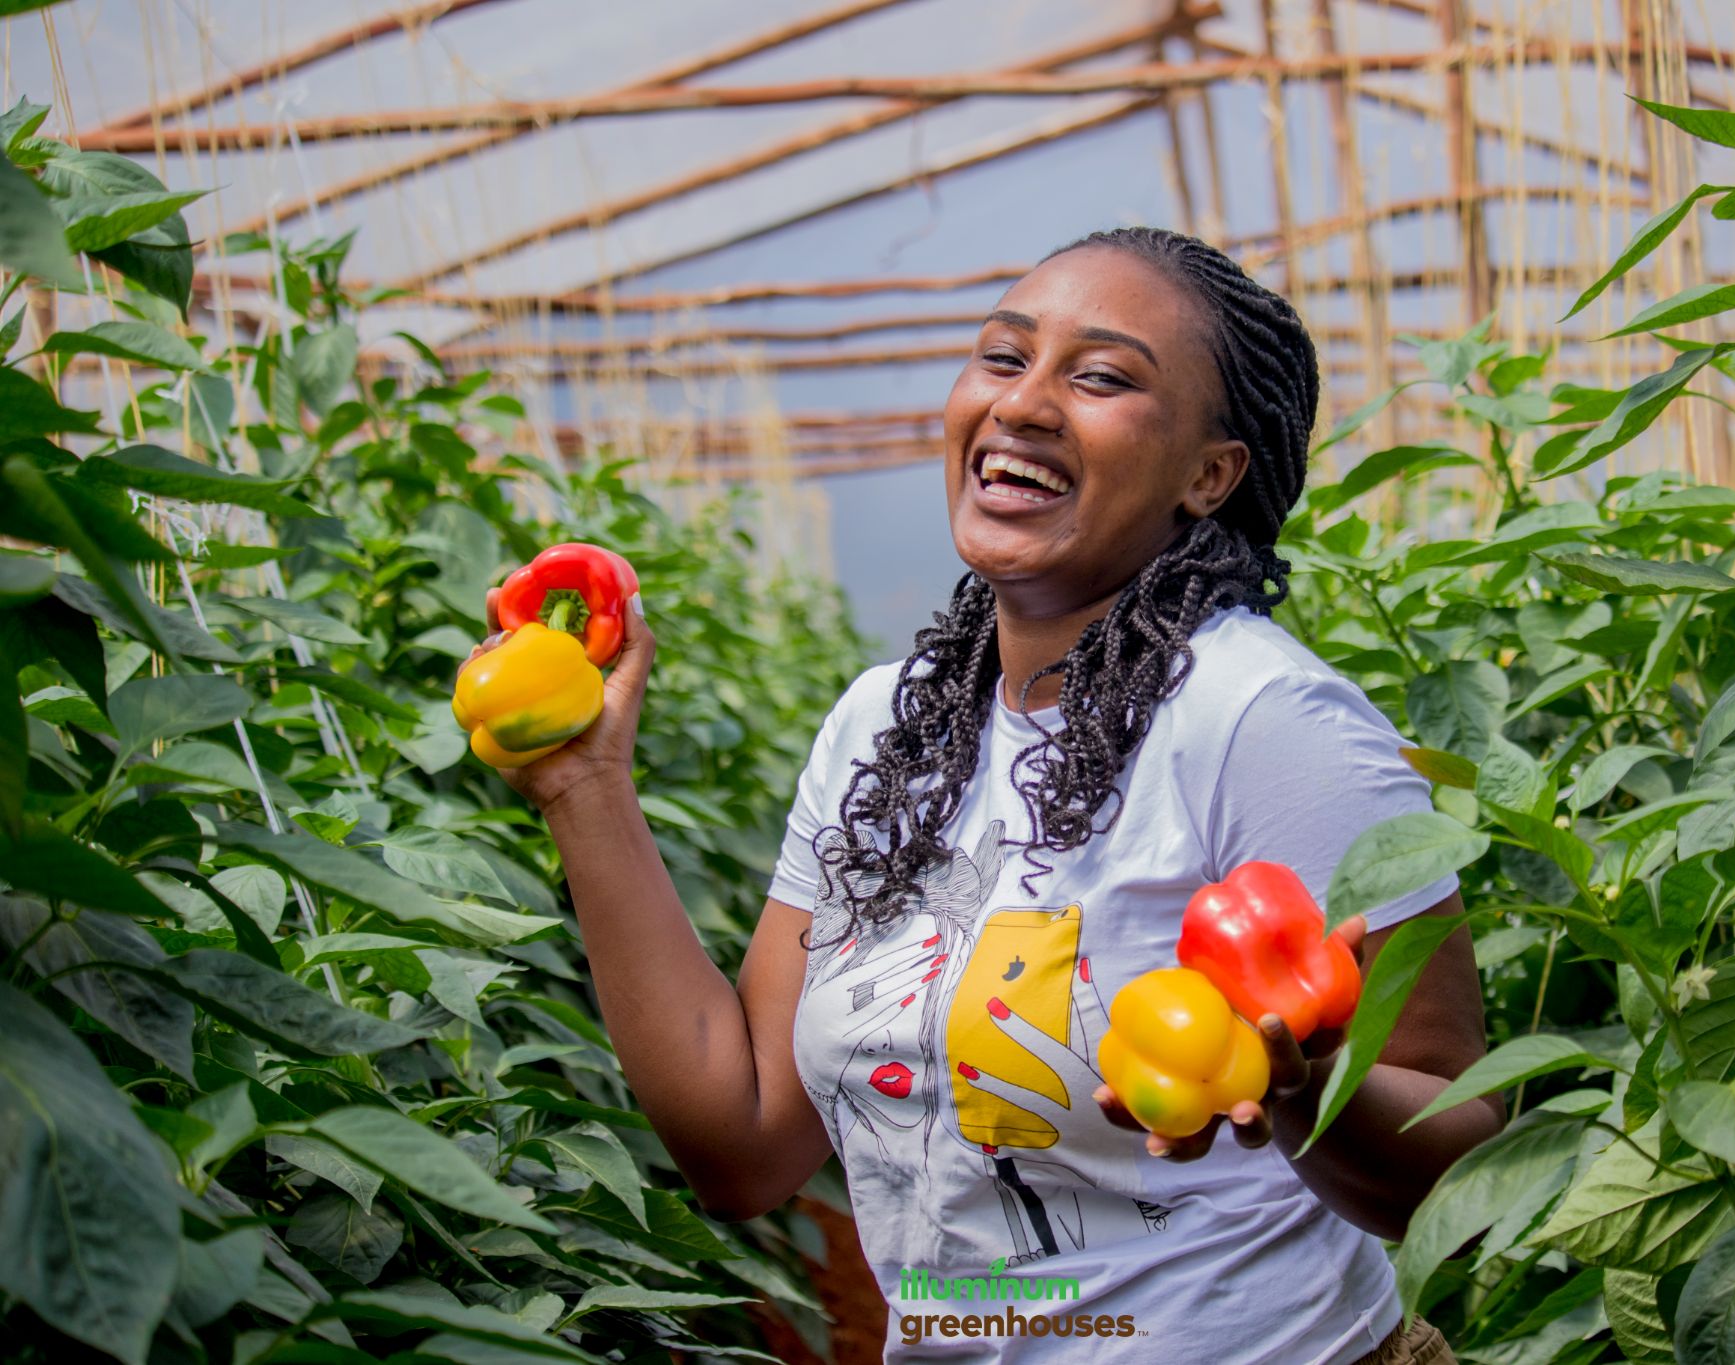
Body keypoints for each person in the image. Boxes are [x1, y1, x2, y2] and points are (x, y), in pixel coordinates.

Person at [463, 226, 1502, 1364]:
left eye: (1099, 377)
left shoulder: (1265, 723)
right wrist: (583, 788)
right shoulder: (882, 727)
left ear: (1210, 474)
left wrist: (1303, 1091)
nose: (1025, 403)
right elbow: (746, 1143)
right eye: (1003, 357)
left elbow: (1461, 1157)